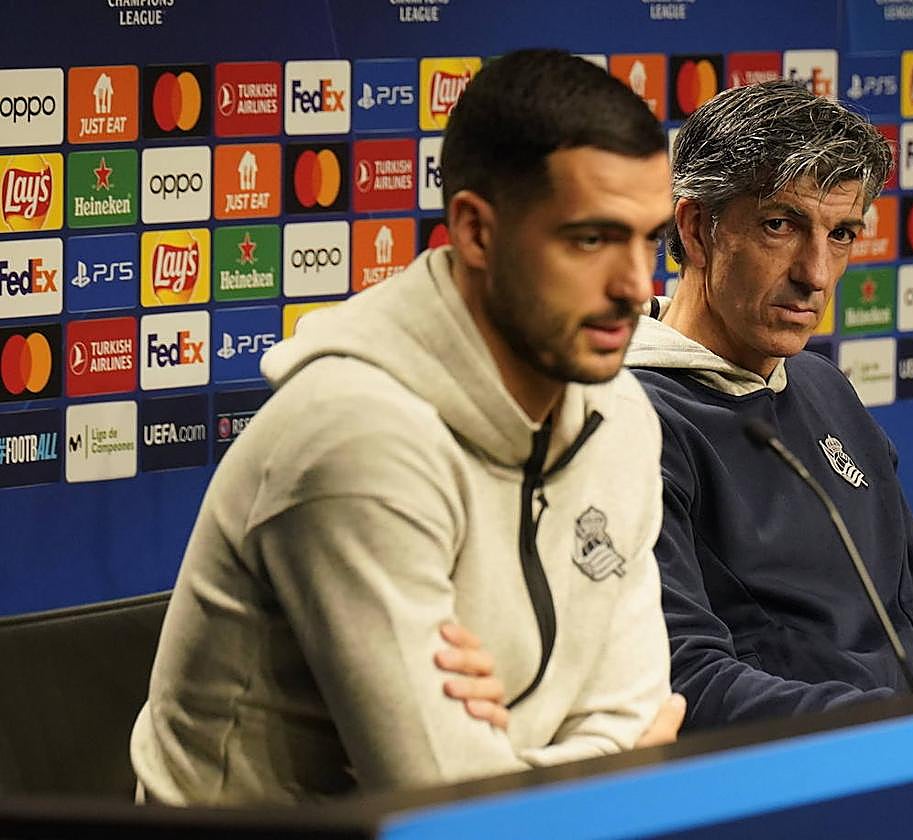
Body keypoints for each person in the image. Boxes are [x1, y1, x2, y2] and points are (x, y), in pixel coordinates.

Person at [130, 49, 683, 805]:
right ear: (476, 232)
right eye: (590, 240)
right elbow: (450, 810)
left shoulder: (619, 414)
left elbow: (638, 711)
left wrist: (507, 754)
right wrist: (591, 766)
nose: (636, 285)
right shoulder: (353, 437)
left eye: (649, 238)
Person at [625, 80, 913, 730]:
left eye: (841, 234)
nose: (815, 274)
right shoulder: (628, 421)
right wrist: (899, 725)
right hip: (807, 768)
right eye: (780, 226)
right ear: (697, 229)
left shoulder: (822, 386)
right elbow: (689, 679)